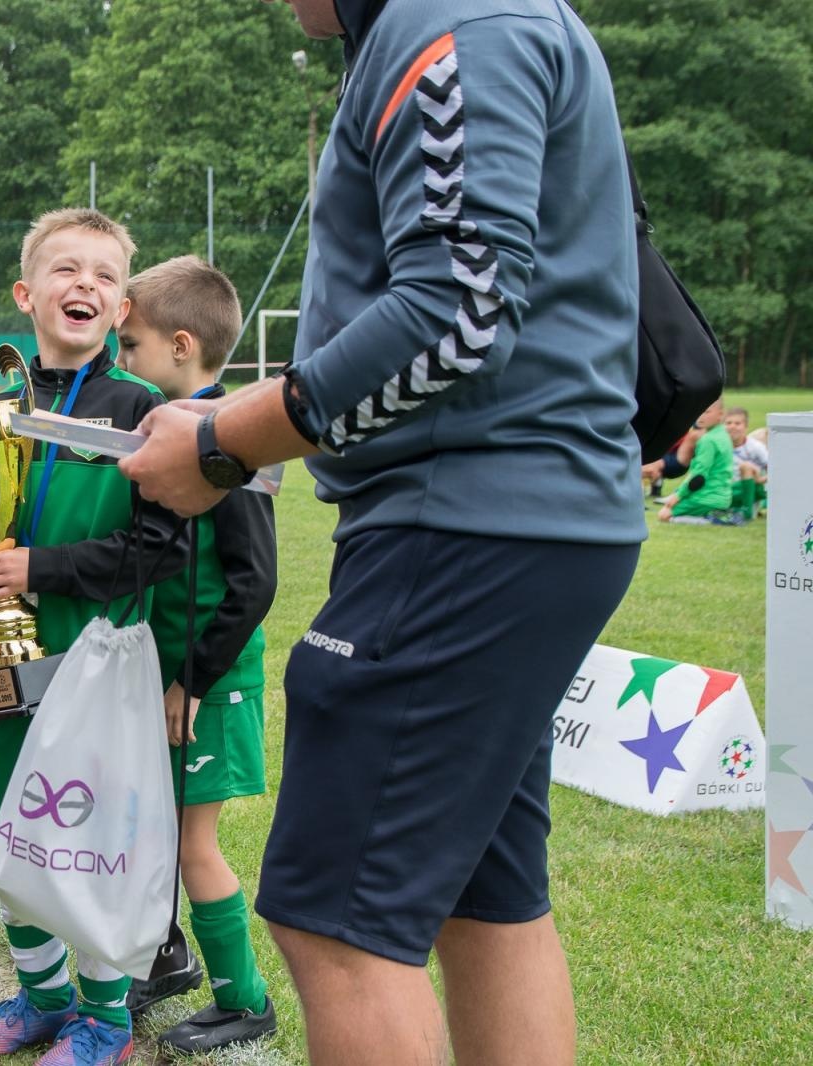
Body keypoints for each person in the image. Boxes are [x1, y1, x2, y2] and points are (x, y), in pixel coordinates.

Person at [120, 3, 645, 1063]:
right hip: (515, 519)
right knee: (484, 900)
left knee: (337, 922)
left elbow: (457, 314)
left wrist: (223, 442)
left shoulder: (446, 16)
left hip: (464, 521)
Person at [0, 209, 188, 1066]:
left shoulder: (144, 411)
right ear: (25, 293)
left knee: (88, 844)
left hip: (103, 672)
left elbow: (163, 546)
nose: (85, 284)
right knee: (17, 838)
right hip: (9, 667)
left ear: (121, 308)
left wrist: (42, 569)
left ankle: (105, 1018)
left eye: (105, 275)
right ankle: (43, 1000)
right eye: (66, 269)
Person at [115, 255, 278, 1054]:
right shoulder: (169, 428)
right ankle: (166, 958)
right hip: (165, 674)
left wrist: (194, 679)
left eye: (131, 346)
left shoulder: (229, 438)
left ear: (181, 346)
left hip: (208, 681)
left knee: (192, 843)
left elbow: (253, 582)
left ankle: (246, 1001)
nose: (121, 361)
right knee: (152, 831)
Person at [658, 400, 734, 523]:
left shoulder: (708, 440)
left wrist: (678, 496)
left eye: (706, 412)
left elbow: (698, 477)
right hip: (724, 497)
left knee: (664, 515)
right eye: (698, 411)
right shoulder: (723, 435)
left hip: (706, 498)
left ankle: (711, 521)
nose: (700, 416)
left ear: (720, 414)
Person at [724, 406, 768, 520]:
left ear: (746, 427)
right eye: (728, 423)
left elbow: (775, 470)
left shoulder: (755, 447)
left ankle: (747, 511)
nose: (732, 426)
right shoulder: (721, 446)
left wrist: (760, 479)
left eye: (737, 423)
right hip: (728, 487)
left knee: (746, 467)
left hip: (750, 488)